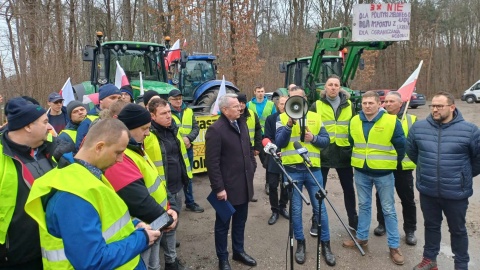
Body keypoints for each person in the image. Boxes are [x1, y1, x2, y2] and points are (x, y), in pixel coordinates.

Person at [25, 119, 161, 269]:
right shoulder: (72, 194)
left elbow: (105, 220)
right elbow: (92, 261)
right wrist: (142, 238)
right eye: (118, 152)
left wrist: (134, 225)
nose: (121, 159)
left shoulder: (87, 175)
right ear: (99, 147)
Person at [407, 92, 480, 270]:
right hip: (428, 189)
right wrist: (427, 170)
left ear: (452, 107)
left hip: (456, 192)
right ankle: (430, 259)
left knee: (458, 230)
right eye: (433, 106)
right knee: (431, 226)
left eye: (440, 106)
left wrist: (462, 176)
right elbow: (412, 152)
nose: (435, 109)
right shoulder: (419, 128)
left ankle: (461, 264)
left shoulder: (470, 130)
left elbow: (477, 160)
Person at [105, 104, 179, 270]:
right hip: (144, 226)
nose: (147, 133)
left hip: (155, 221)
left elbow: (155, 179)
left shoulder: (135, 146)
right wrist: (167, 218)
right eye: (144, 128)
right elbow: (137, 200)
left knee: (154, 264)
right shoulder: (122, 155)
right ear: (129, 128)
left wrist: (171, 206)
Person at [343, 91, 405, 265]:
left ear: (380, 104)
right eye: (365, 103)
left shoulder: (392, 122)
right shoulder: (354, 121)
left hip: (384, 173)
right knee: (363, 205)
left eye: (371, 103)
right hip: (361, 172)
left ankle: (394, 247)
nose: (367, 106)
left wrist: (391, 163)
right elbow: (352, 142)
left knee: (388, 210)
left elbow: (401, 147)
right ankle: (361, 238)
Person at [275, 86, 335, 266]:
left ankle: (325, 244)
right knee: (295, 210)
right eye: (291, 99)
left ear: (304, 99)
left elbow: (326, 141)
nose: (294, 102)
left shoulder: (316, 117)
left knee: (320, 210)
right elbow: (279, 142)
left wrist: (314, 138)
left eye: (297, 98)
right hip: (292, 170)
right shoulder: (282, 118)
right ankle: (300, 243)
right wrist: (288, 125)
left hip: (313, 170)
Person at [0, 97, 57, 269]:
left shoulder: (49, 149)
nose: (49, 127)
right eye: (45, 122)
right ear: (28, 126)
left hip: (51, 252)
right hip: (14, 258)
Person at [205, 93, 256, 270]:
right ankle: (223, 258)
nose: (240, 108)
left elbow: (249, 149)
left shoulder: (242, 123)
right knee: (222, 225)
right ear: (225, 110)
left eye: (239, 105)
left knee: (240, 221)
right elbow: (212, 162)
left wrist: (252, 166)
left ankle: (238, 251)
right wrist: (218, 188)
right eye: (235, 106)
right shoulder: (216, 130)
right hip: (227, 188)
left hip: (244, 184)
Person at [144, 98, 191, 270]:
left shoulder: (173, 129)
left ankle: (171, 261)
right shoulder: (148, 135)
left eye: (169, 112)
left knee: (172, 226)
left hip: (177, 186)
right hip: (158, 191)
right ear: (153, 116)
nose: (169, 116)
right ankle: (154, 265)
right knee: (157, 230)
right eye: (163, 113)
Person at [309, 75, 358, 231]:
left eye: (336, 85)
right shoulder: (316, 105)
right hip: (323, 153)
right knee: (319, 190)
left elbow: (354, 126)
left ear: (340, 87)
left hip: (344, 153)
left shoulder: (349, 105)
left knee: (349, 189)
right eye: (330, 84)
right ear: (325, 88)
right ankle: (316, 221)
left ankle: (353, 221)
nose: (333, 87)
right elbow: (309, 126)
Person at [373, 91, 418, 246]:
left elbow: (417, 144)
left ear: (401, 104)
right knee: (382, 197)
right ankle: (382, 224)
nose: (388, 104)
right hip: (385, 165)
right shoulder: (379, 119)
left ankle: (410, 230)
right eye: (386, 101)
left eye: (392, 101)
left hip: (403, 167)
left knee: (407, 200)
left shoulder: (412, 120)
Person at [168, 89, 204, 213]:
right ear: (169, 100)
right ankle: (172, 204)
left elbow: (195, 127)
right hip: (174, 150)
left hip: (188, 148)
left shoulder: (189, 111)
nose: (178, 101)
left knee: (188, 176)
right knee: (174, 177)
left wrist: (189, 138)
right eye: (175, 99)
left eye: (180, 98)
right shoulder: (167, 112)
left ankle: (190, 202)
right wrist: (180, 141)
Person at [247, 85, 276, 195]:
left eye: (262, 91)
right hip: (253, 137)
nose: (260, 93)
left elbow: (274, 119)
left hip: (266, 137)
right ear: (254, 92)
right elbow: (239, 112)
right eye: (258, 91)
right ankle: (248, 188)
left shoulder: (271, 104)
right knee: (250, 164)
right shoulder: (249, 105)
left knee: (267, 162)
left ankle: (268, 184)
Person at [265, 95, 289, 225]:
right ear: (277, 105)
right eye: (281, 104)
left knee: (286, 184)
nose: (283, 106)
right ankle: (274, 210)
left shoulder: (293, 119)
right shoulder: (271, 119)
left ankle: (283, 207)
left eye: (286, 104)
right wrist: (276, 149)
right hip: (274, 155)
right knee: (273, 185)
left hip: (288, 156)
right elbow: (267, 136)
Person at [75, 83, 121, 150]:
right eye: (112, 98)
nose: (117, 101)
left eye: (119, 98)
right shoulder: (88, 121)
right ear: (101, 100)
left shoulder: (121, 117)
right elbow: (80, 148)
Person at [237, 93, 262, 202]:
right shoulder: (234, 115)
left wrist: (257, 147)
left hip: (250, 147)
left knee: (251, 168)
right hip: (237, 148)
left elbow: (258, 131)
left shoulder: (252, 114)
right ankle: (240, 192)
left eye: (243, 103)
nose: (241, 105)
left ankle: (248, 192)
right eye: (239, 103)